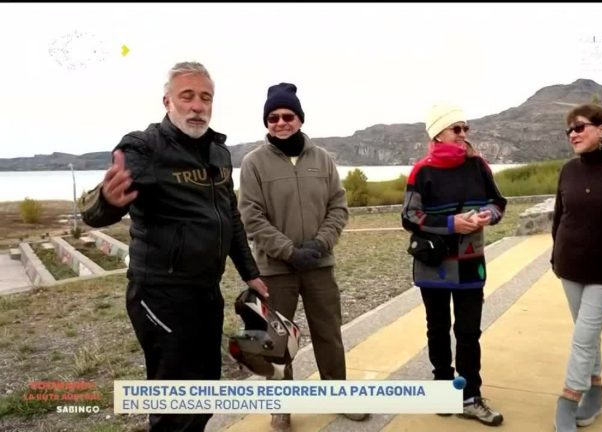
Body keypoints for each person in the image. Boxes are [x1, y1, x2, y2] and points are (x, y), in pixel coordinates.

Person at [79, 61, 268, 432]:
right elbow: (94, 211)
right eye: (187, 96)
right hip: (160, 293)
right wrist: (106, 201)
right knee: (174, 401)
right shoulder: (143, 147)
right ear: (167, 101)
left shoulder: (218, 153)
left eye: (205, 98)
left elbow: (230, 217)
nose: (198, 106)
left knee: (206, 387)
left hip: (206, 291)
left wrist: (250, 272)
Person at [238, 82, 369, 432]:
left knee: (329, 333)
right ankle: (281, 407)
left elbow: (338, 207)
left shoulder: (322, 159)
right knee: (277, 339)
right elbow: (251, 216)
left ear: (299, 118)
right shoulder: (253, 163)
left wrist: (320, 245)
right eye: (273, 117)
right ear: (267, 123)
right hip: (275, 269)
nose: (281, 122)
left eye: (288, 116)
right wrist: (289, 252)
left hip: (319, 266)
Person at [401, 103, 507, 427]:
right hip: (433, 265)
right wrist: (451, 224)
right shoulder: (421, 171)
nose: (463, 134)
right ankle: (443, 391)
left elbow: (498, 202)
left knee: (468, 332)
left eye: (465, 128)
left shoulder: (478, 166)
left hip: (471, 263)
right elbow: (409, 216)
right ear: (438, 134)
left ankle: (470, 397)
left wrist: (488, 214)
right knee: (437, 330)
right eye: (456, 129)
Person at [550, 104, 602, 431]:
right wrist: (556, 255)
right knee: (588, 334)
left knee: (583, 337)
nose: (573, 134)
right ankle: (595, 391)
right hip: (569, 265)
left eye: (579, 127)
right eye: (569, 130)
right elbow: (559, 215)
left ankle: (568, 399)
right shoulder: (569, 169)